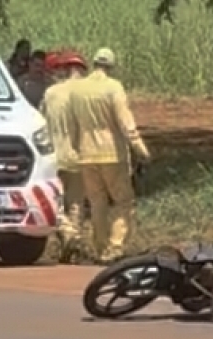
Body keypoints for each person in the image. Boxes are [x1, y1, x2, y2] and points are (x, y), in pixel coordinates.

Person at [65, 47, 149, 263]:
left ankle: (100, 248)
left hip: (86, 153)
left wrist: (76, 148)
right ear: (111, 65)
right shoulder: (113, 87)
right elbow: (125, 122)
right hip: (112, 153)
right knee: (123, 201)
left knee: (97, 203)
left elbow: (72, 125)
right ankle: (115, 245)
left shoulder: (77, 90)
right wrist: (140, 148)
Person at [39, 49, 88, 262]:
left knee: (56, 203)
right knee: (76, 202)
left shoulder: (51, 94)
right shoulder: (87, 93)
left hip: (54, 157)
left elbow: (41, 121)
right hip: (79, 156)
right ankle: (74, 239)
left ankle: (67, 234)